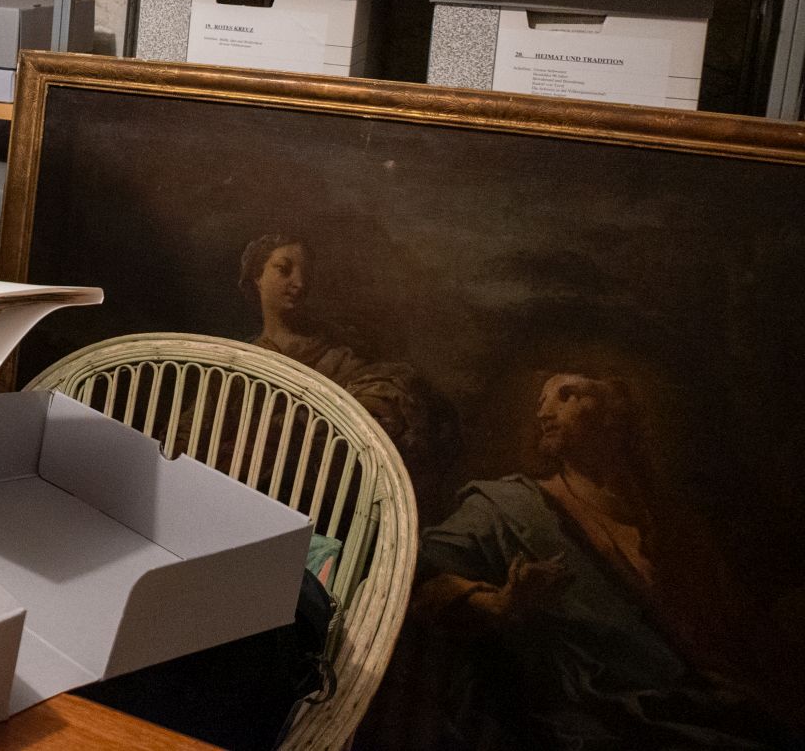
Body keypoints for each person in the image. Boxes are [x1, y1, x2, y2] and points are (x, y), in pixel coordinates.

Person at [413, 371, 798, 750]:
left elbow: (733, 634)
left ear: (616, 412)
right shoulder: (509, 507)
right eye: (541, 402)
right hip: (584, 723)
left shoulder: (676, 525)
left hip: (698, 712)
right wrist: (500, 603)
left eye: (568, 395)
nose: (544, 413)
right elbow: (418, 576)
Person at [237, 233, 458, 500]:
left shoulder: (338, 347)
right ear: (257, 277)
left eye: (306, 274)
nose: (299, 283)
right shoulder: (239, 359)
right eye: (284, 270)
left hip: (337, 489)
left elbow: (380, 401)